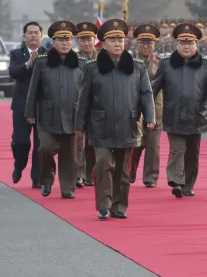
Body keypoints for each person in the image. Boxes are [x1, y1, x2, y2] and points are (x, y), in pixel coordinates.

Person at [75, 19, 155, 220]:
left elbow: (146, 94)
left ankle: (119, 206)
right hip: (100, 125)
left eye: (120, 39)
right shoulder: (93, 68)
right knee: (103, 163)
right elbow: (84, 98)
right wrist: (80, 125)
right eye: (113, 40)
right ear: (103, 43)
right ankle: (104, 204)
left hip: (128, 124)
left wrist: (150, 118)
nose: (118, 43)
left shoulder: (136, 67)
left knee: (123, 169)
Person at [151, 22, 207, 198]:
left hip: (196, 115)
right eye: (183, 43)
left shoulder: (205, 65)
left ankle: (188, 185)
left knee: (192, 152)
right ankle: (176, 181)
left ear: (196, 44)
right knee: (177, 149)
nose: (186, 46)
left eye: (190, 43)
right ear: (177, 44)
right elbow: (154, 86)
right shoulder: (166, 64)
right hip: (173, 113)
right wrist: (146, 106)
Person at [24, 21, 85, 198]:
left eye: (68, 40)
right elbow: (33, 89)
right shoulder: (43, 62)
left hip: (72, 115)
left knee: (69, 156)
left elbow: (86, 91)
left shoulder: (81, 63)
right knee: (46, 149)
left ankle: (68, 187)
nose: (65, 43)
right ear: (53, 41)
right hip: (47, 116)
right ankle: (47, 179)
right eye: (60, 40)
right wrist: (30, 112)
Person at [8, 22, 46, 188]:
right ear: (24, 36)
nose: (32, 36)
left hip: (42, 105)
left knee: (40, 145)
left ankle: (37, 178)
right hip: (21, 105)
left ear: (41, 35)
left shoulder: (49, 54)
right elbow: (13, 72)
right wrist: (28, 64)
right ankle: (19, 165)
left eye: (36, 32)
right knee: (21, 142)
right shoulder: (17, 54)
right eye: (29, 33)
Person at [130, 23, 163, 188]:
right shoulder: (129, 62)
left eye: (149, 43)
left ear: (154, 44)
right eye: (142, 42)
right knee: (135, 142)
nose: (146, 46)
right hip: (134, 108)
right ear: (137, 44)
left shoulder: (160, 63)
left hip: (155, 109)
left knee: (153, 145)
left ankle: (150, 176)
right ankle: (130, 169)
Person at [75, 21, 99, 187]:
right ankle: (79, 174)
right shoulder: (72, 60)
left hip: (97, 106)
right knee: (78, 143)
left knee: (93, 143)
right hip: (78, 105)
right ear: (78, 41)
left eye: (89, 39)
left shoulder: (102, 58)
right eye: (83, 40)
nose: (86, 43)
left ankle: (91, 174)